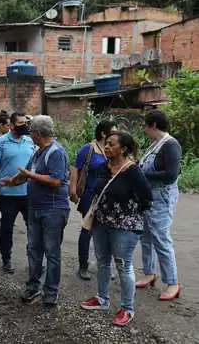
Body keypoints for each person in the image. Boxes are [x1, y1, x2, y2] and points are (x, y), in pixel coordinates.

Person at [81, 132, 153, 327]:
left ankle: (127, 308)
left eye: (111, 145)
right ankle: (102, 298)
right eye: (106, 144)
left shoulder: (132, 172)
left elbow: (147, 199)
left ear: (123, 149)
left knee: (123, 266)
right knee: (102, 262)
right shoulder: (104, 167)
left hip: (124, 228)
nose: (106, 147)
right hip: (101, 223)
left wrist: (128, 214)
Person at [0, 115, 69, 307]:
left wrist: (29, 175)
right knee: (34, 249)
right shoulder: (38, 152)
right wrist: (12, 181)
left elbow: (56, 181)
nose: (29, 134)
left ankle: (51, 292)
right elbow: (25, 173)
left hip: (53, 209)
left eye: (31, 131)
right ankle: (33, 286)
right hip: (36, 208)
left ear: (38, 133)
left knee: (51, 252)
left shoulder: (56, 152)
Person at [135, 110, 182, 300]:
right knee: (145, 237)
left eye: (146, 126)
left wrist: (143, 175)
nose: (145, 130)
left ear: (153, 125)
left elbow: (171, 174)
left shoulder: (170, 145)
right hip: (148, 197)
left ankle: (173, 283)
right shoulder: (155, 145)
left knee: (161, 239)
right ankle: (149, 272)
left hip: (161, 197)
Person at [0, 112, 35, 273]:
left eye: (26, 122)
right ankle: (6, 259)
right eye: (21, 123)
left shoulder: (29, 141)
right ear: (12, 125)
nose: (25, 125)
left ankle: (33, 259)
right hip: (8, 194)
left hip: (28, 193)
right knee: (7, 229)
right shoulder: (1, 142)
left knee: (33, 228)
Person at [69, 120, 117, 280]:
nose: (116, 134)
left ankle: (104, 265)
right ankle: (83, 266)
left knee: (107, 231)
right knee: (88, 230)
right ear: (103, 133)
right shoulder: (88, 148)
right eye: (113, 131)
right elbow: (75, 168)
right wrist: (73, 189)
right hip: (90, 195)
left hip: (108, 196)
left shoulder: (113, 150)